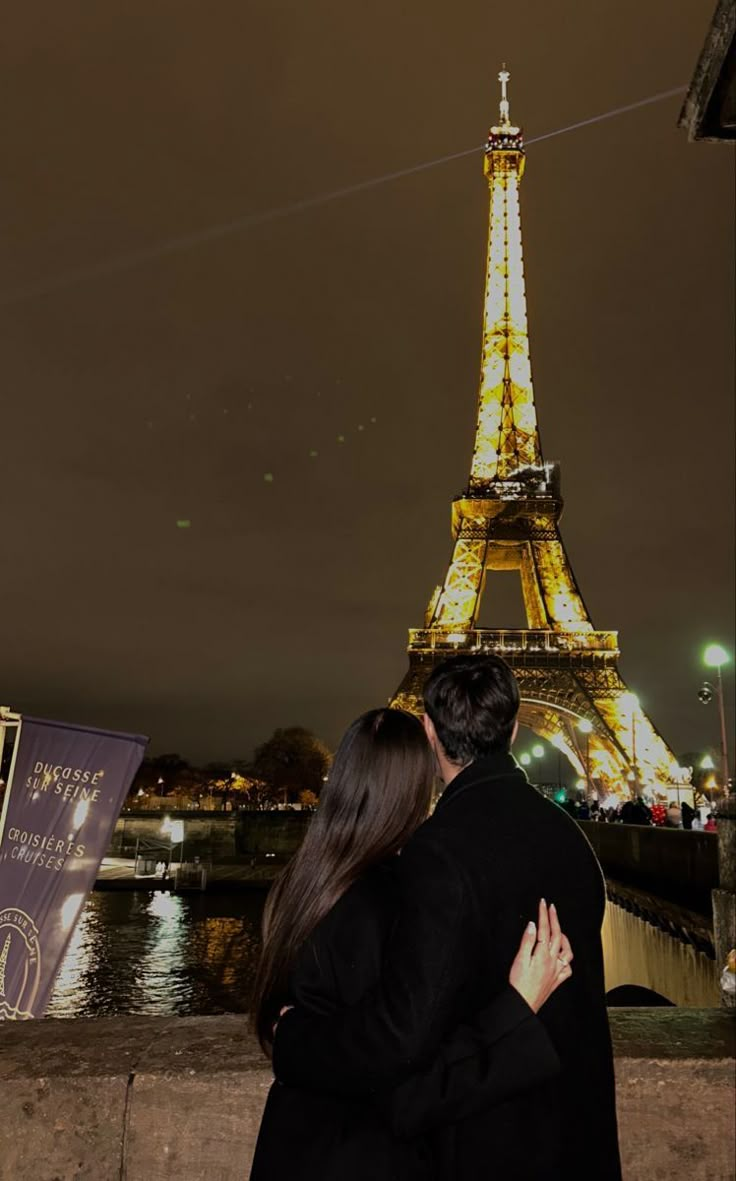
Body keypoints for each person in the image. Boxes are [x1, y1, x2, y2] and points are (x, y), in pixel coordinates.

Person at [273, 654, 621, 1180]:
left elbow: (400, 1040)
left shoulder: (435, 852)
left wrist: (295, 1041)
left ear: (430, 731)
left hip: (488, 1145)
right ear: (515, 721)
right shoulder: (572, 839)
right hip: (576, 1141)